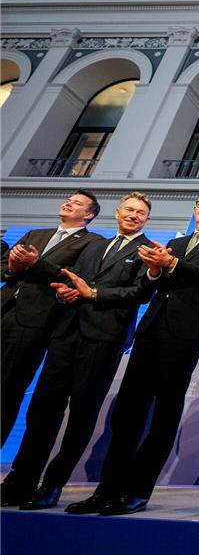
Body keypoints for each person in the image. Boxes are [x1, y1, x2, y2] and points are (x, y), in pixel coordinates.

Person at [66, 192, 199, 516]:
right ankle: (106, 490)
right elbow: (149, 289)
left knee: (164, 413)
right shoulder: (173, 244)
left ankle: (137, 492)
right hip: (151, 331)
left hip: (186, 332)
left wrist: (171, 264)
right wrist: (154, 271)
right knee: (128, 414)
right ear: (195, 209)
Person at [1, 193, 153, 510]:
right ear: (117, 213)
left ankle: (52, 485)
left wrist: (93, 292)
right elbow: (69, 279)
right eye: (129, 209)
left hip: (104, 339)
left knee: (81, 416)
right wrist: (66, 292)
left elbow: (139, 292)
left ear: (146, 220)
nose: (133, 215)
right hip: (66, 333)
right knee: (41, 410)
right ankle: (20, 480)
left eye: (140, 212)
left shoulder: (146, 251)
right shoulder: (94, 245)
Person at [0, 190, 103, 451]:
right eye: (69, 200)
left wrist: (36, 264)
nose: (69, 203)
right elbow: (5, 268)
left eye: (77, 203)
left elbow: (74, 279)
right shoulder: (36, 234)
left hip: (34, 322)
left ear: (88, 214)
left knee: (7, 388)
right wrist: (12, 267)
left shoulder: (91, 242)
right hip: (5, 309)